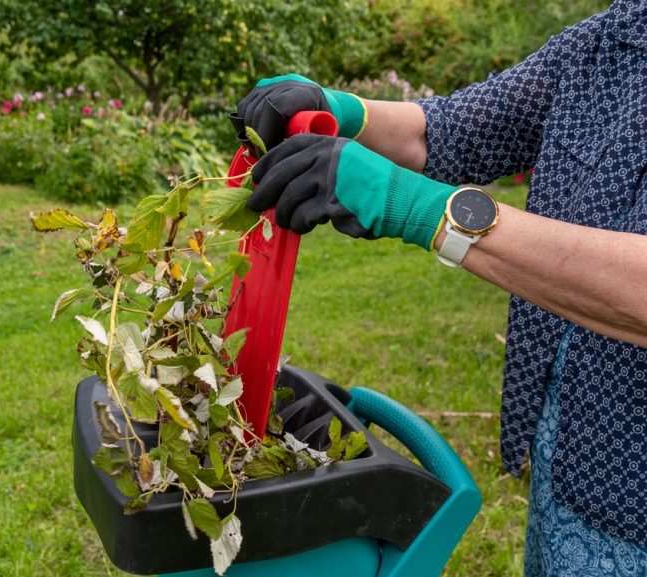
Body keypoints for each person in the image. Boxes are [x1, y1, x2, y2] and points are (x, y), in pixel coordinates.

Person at [235, 1, 647, 575]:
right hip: (575, 446)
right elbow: (454, 129)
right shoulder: (619, 35)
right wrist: (338, 110)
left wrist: (423, 210)